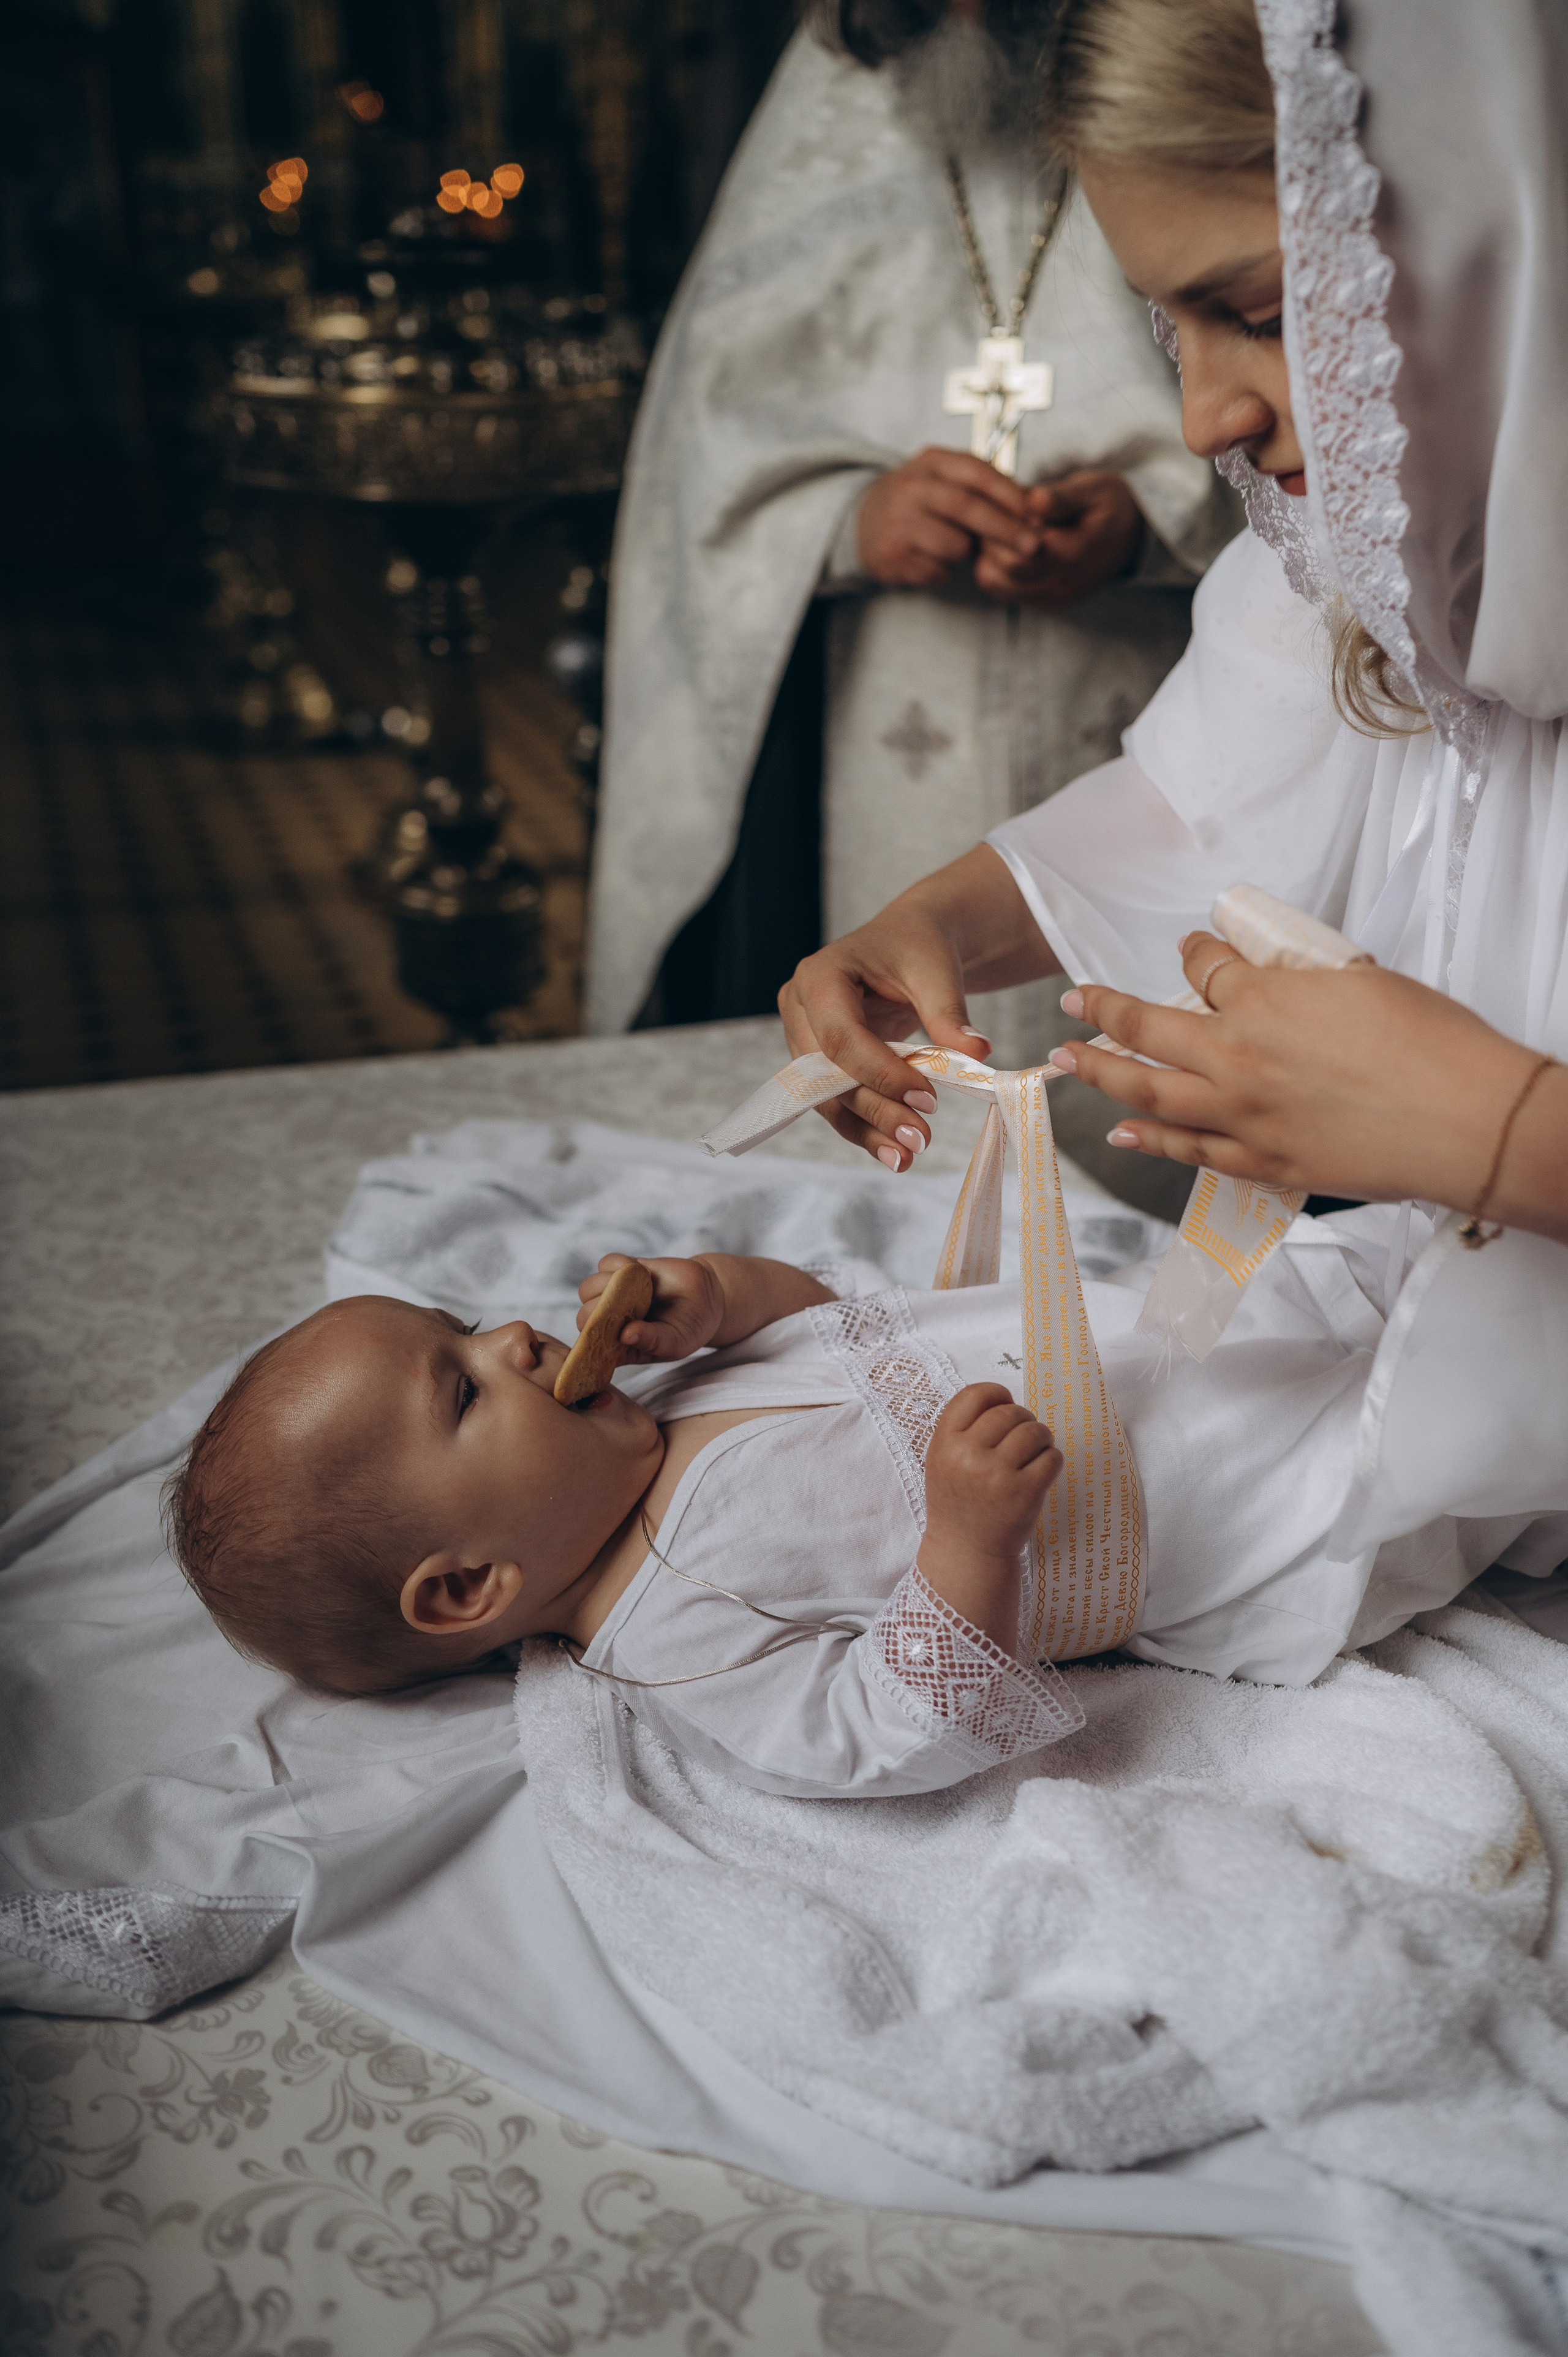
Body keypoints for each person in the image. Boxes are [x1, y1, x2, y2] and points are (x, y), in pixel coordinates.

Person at [778, 0, 1568, 1550]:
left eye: (1260, 311)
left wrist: (1488, 1129)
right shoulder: (1387, 549)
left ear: (1509, 237)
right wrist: (928, 927)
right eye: (1175, 328)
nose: (1203, 415)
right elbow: (1202, 802)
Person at [165, 1228, 1561, 1790]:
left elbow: (824, 1319)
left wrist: (719, 1293)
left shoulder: (650, 1412)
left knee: (1407, 1242)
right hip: (1217, 1508)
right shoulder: (678, 1625)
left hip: (1169, 1334)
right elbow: (876, 1737)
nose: (520, 1337)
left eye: (468, 1326)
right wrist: (967, 1546)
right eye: (464, 1391)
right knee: (1475, 1421)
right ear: (467, 1586)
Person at [585, 0, 1238, 1128]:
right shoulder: (836, 101)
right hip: (887, 717)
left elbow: (1335, 435)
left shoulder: (1184, 52)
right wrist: (850, 518)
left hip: (1164, 673)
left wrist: (1149, 517)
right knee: (911, 1059)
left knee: (1165, 1109)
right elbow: (707, 459)